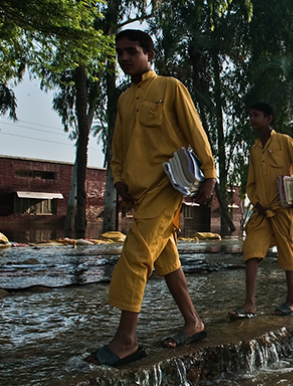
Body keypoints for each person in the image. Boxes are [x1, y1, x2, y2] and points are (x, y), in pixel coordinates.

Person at [84, 29, 217, 367]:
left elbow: (195, 130)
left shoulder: (170, 87)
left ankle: (126, 341)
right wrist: (118, 179)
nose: (124, 57)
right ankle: (193, 322)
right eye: (120, 52)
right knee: (167, 261)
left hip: (167, 187)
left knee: (135, 256)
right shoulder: (124, 100)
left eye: (132, 51)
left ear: (149, 55)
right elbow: (119, 146)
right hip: (139, 193)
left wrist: (210, 174)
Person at [228, 102, 293, 319]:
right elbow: (251, 183)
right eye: (250, 115)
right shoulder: (255, 149)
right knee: (251, 249)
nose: (251, 119)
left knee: (287, 252)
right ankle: (249, 304)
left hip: (283, 209)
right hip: (262, 212)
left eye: (255, 115)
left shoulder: (285, 142)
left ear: (268, 118)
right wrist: (256, 202)